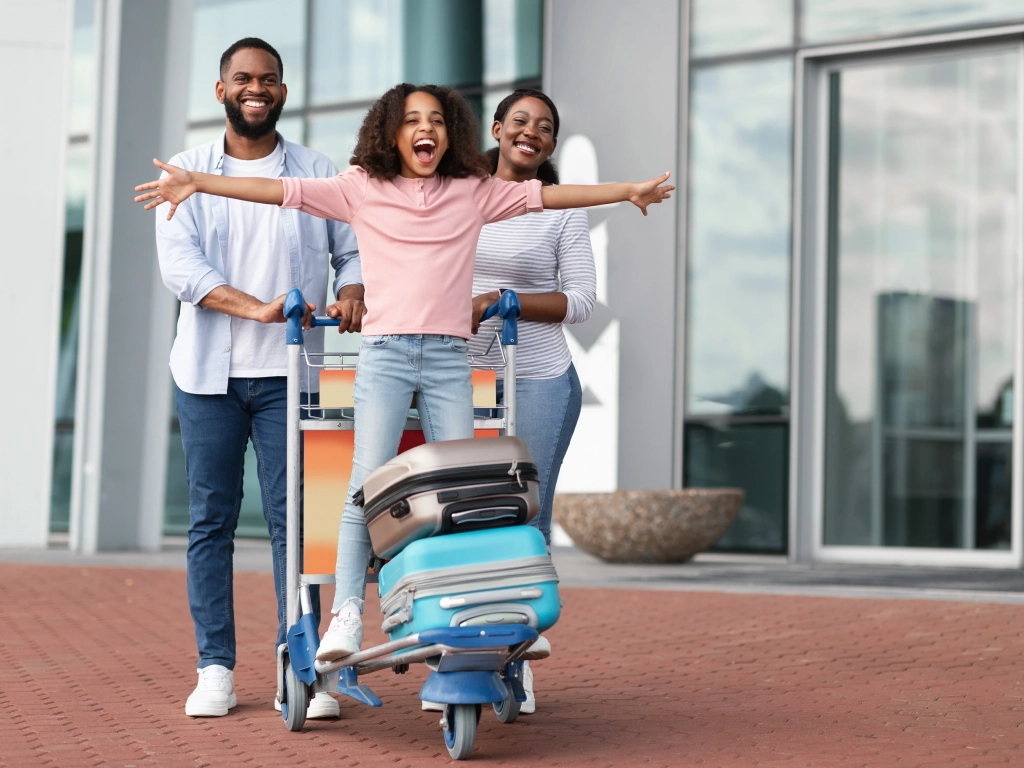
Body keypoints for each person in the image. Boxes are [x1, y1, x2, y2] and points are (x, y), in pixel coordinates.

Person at [136, 82, 673, 674]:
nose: (427, 129)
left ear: (453, 134)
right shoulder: (360, 188)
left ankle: (479, 605)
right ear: (391, 132)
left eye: (438, 120)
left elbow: (551, 198)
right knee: (364, 485)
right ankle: (345, 612)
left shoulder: (474, 191)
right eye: (413, 120)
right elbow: (277, 191)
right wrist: (199, 181)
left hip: (450, 360)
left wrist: (627, 192)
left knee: (466, 485)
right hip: (386, 356)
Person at [153, 37, 364, 720]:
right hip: (208, 376)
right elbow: (181, 271)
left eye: (268, 79)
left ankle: (295, 665)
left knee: (296, 525)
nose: (256, 88)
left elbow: (352, 247)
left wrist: (355, 286)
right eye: (243, 78)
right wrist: (256, 308)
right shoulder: (185, 171)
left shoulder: (315, 170)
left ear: (281, 90)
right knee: (210, 522)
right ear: (221, 91)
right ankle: (214, 667)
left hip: (294, 374)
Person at [462, 88, 595, 715]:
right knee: (463, 514)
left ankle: (517, 653)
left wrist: (498, 300)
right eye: (520, 121)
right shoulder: (458, 191)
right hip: (459, 377)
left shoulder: (560, 209)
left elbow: (582, 300)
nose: (532, 132)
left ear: (550, 144)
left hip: (539, 375)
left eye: (545, 127)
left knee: (525, 515)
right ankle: (462, 652)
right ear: (496, 128)